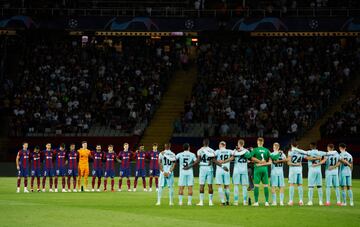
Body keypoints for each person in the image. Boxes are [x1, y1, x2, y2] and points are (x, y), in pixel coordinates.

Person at [250, 137, 278, 206]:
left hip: (257, 168)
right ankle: (266, 202)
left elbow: (250, 157)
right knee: (265, 186)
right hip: (265, 169)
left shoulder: (255, 149)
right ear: (263, 142)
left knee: (256, 186)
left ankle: (256, 202)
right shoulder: (267, 150)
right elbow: (273, 158)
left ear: (257, 142)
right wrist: (278, 153)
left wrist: (259, 161)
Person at [231, 139, 251, 206]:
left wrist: (236, 149)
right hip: (244, 170)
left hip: (237, 170)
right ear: (243, 144)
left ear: (238, 144)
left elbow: (232, 155)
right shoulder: (246, 151)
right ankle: (245, 201)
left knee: (236, 185)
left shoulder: (235, 150)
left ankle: (236, 201)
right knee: (244, 186)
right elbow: (249, 159)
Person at [215, 141, 232, 205]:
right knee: (227, 186)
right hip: (226, 170)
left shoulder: (217, 151)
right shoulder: (229, 151)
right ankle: (227, 201)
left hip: (219, 169)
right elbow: (234, 155)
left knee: (219, 186)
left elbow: (211, 156)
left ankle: (223, 202)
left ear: (220, 145)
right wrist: (225, 161)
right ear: (225, 145)